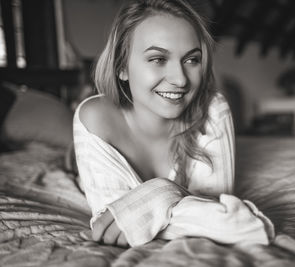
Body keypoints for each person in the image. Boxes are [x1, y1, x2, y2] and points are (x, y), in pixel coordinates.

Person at [73, 0, 273, 248]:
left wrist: (160, 194)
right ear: (121, 67)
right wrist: (172, 198)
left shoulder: (213, 109)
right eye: (158, 59)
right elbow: (112, 230)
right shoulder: (95, 118)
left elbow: (233, 219)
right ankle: (71, 156)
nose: (180, 79)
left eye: (191, 60)